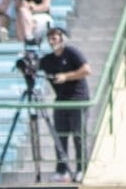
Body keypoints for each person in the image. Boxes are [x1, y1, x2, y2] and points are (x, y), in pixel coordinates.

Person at [36, 28, 91, 178]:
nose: (52, 41)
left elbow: (86, 70)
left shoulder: (71, 52)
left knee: (78, 135)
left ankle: (81, 168)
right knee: (60, 136)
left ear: (62, 39)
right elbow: (35, 67)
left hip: (78, 99)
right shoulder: (48, 60)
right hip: (61, 100)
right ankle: (62, 170)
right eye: (50, 39)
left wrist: (66, 76)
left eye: (55, 38)